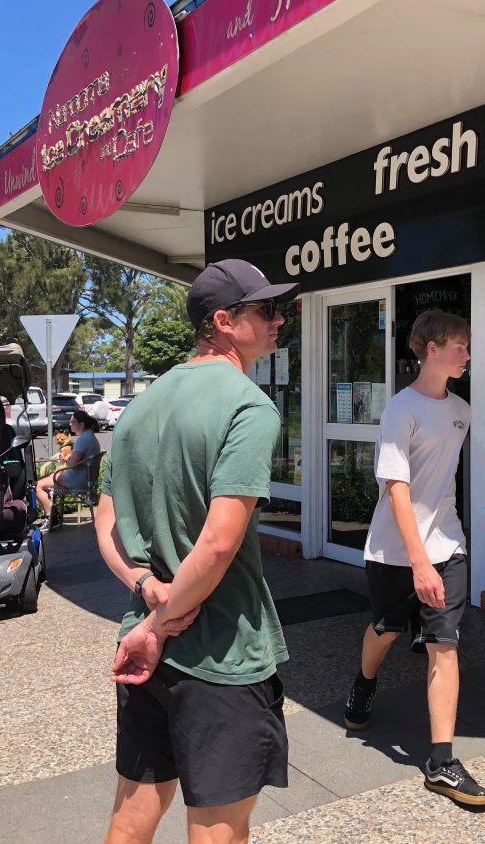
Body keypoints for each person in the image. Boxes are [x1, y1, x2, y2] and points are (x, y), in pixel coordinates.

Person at [95, 260, 297, 844]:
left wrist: (143, 591)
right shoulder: (248, 406)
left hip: (144, 646)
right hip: (220, 653)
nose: (279, 319)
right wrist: (160, 623)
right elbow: (217, 544)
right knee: (218, 831)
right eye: (266, 310)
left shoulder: (140, 406)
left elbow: (105, 523)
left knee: (131, 818)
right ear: (223, 322)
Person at [342, 309, 485, 807]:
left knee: (443, 643)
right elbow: (397, 488)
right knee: (383, 628)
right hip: (395, 549)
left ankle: (441, 761)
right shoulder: (399, 409)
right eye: (460, 347)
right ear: (431, 348)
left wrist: (436, 554)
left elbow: (441, 481)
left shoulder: (462, 412)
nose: (467, 355)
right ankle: (363, 683)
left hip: (447, 544)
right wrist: (418, 561)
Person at [34, 409, 101, 524]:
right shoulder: (91, 437)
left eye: (72, 422)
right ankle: (52, 514)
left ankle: (50, 517)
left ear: (81, 424)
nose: (70, 424)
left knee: (37, 485)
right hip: (86, 479)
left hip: (76, 481)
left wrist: (66, 458)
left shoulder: (83, 439)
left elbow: (71, 463)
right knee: (45, 479)